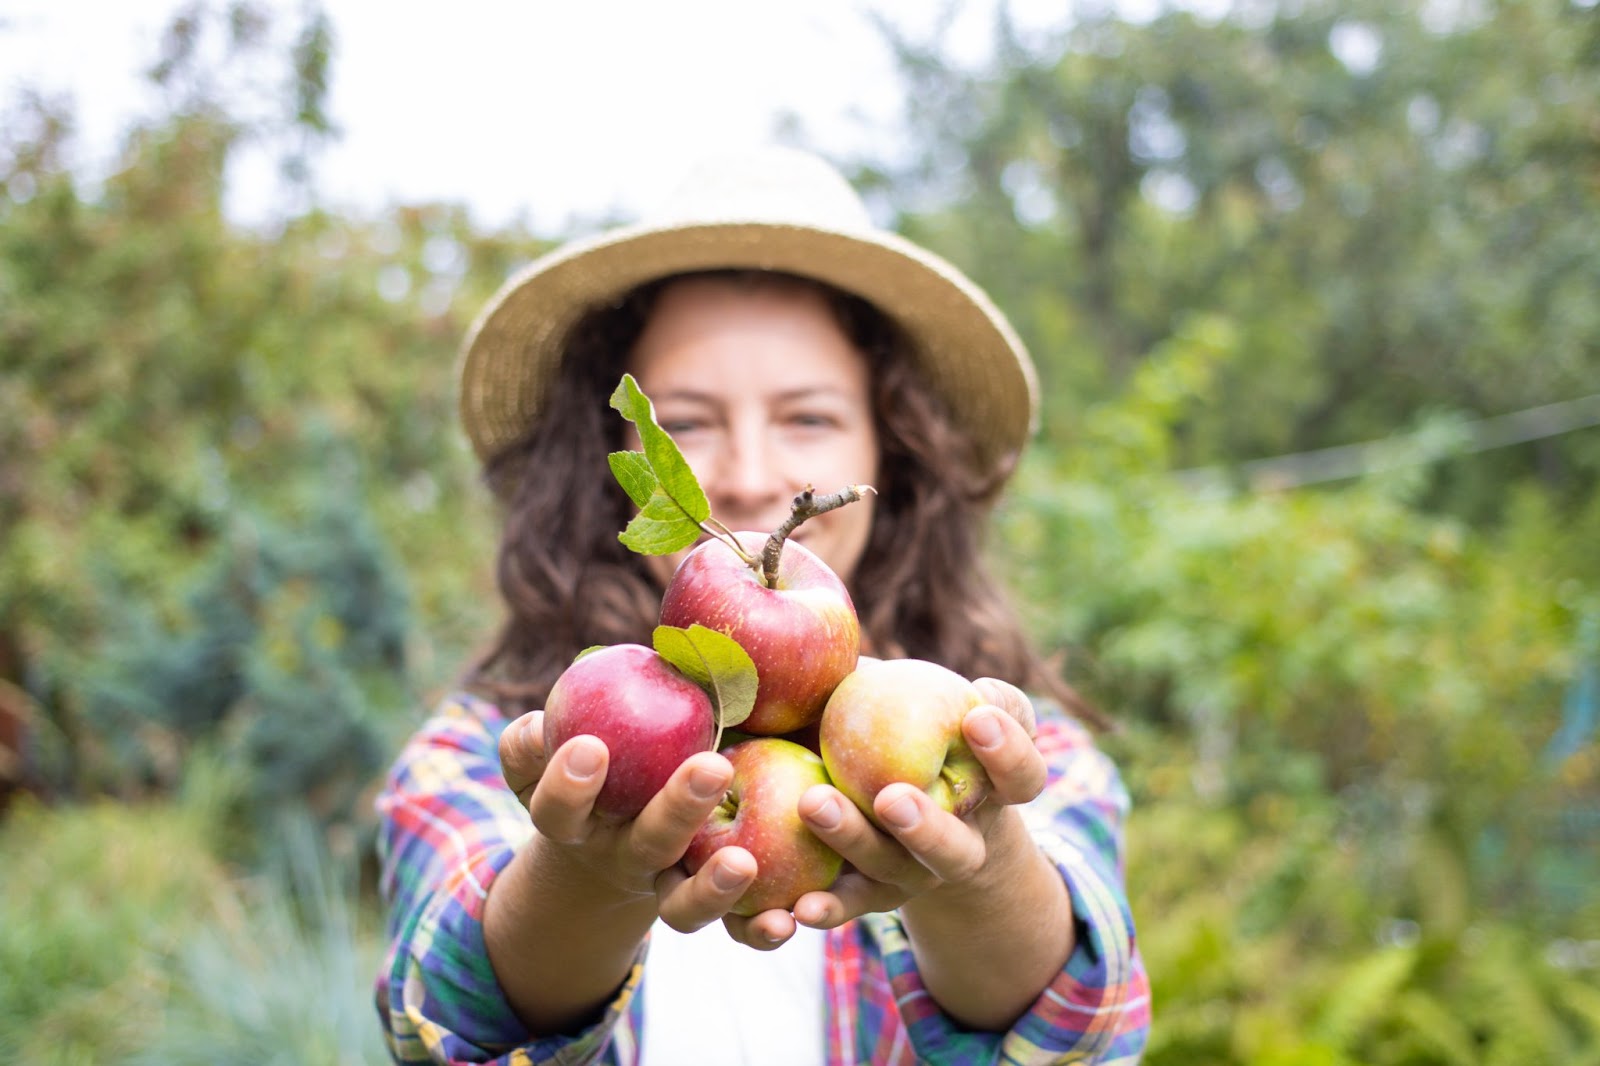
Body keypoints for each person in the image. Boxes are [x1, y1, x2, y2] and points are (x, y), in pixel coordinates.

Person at [374, 147, 1150, 1065]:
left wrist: (977, 868)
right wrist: (582, 875)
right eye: (688, 424)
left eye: (809, 420)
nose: (746, 480)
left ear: (891, 450)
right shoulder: (508, 754)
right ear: (612, 455)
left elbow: (1087, 1039)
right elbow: (442, 1029)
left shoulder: (1022, 754)